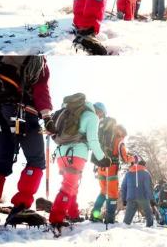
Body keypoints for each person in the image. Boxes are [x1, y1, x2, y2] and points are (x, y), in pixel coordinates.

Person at [0, 56, 52, 229]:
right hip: (22, 111)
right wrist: (47, 116)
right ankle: (21, 207)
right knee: (36, 160)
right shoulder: (37, 58)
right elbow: (40, 88)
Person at [44, 93, 111, 235]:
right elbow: (93, 140)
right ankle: (56, 218)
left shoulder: (73, 113)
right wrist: (102, 158)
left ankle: (73, 214)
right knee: (68, 187)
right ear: (99, 112)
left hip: (61, 154)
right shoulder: (91, 117)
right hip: (76, 154)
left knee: (72, 186)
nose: (100, 118)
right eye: (102, 116)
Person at [90, 103, 134, 224]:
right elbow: (125, 158)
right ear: (122, 133)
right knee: (113, 194)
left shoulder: (104, 135)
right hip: (112, 168)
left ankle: (95, 215)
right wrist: (132, 159)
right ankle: (110, 219)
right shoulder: (119, 140)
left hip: (100, 167)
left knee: (103, 192)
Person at [121, 156, 154, 227]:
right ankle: (150, 227)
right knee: (148, 214)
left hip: (130, 197)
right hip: (143, 197)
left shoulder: (128, 174)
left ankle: (124, 230)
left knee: (126, 221)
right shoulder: (146, 173)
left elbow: (123, 187)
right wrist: (151, 199)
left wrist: (124, 199)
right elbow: (148, 187)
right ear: (144, 165)